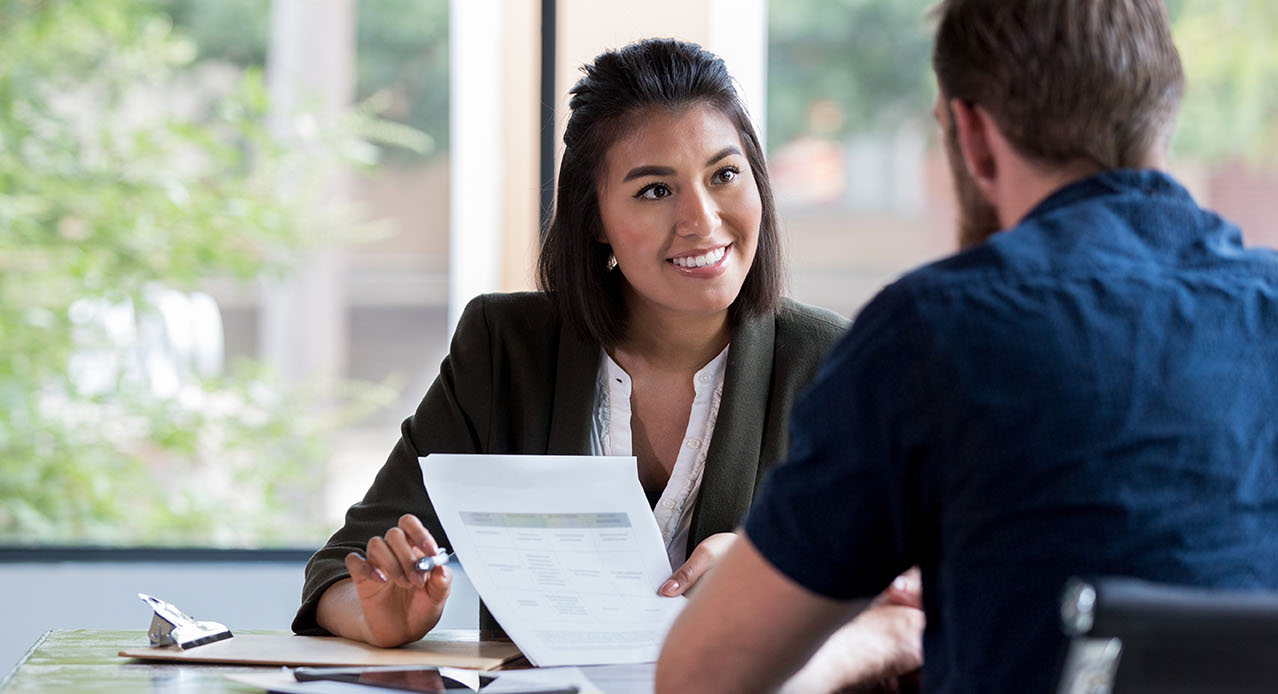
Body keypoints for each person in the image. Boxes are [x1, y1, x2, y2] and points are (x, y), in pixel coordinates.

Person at [657, 1, 1278, 693]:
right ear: (1167, 107)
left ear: (973, 135)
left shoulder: (933, 332)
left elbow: (702, 677)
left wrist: (881, 635)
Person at [293, 39, 918, 686]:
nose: (702, 220)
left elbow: (912, 591)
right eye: (654, 190)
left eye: (724, 175)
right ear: (595, 220)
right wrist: (379, 617)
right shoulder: (505, 348)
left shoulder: (834, 364)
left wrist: (773, 572)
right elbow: (340, 570)